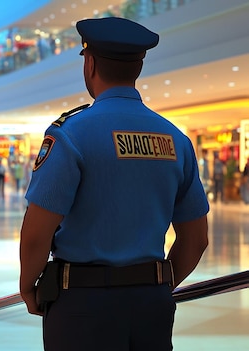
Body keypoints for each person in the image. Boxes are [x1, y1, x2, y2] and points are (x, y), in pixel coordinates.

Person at [19, 17, 209, 351]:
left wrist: (27, 287)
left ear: (89, 63)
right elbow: (196, 240)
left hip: (82, 307)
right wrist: (155, 285)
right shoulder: (175, 140)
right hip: (152, 306)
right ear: (138, 66)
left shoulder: (70, 136)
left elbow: (37, 235)